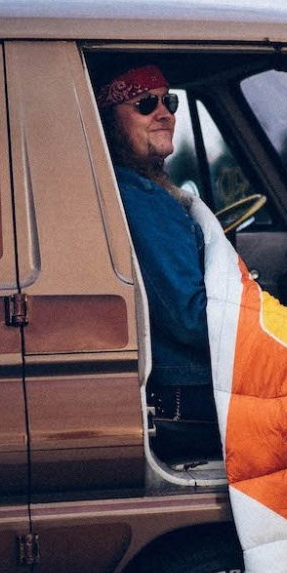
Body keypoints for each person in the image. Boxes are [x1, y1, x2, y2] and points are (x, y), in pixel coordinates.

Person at [96, 64, 220, 461]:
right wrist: (274, 326)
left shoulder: (136, 190)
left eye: (168, 101)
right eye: (145, 104)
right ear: (109, 120)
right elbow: (191, 318)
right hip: (189, 399)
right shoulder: (142, 199)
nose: (164, 113)